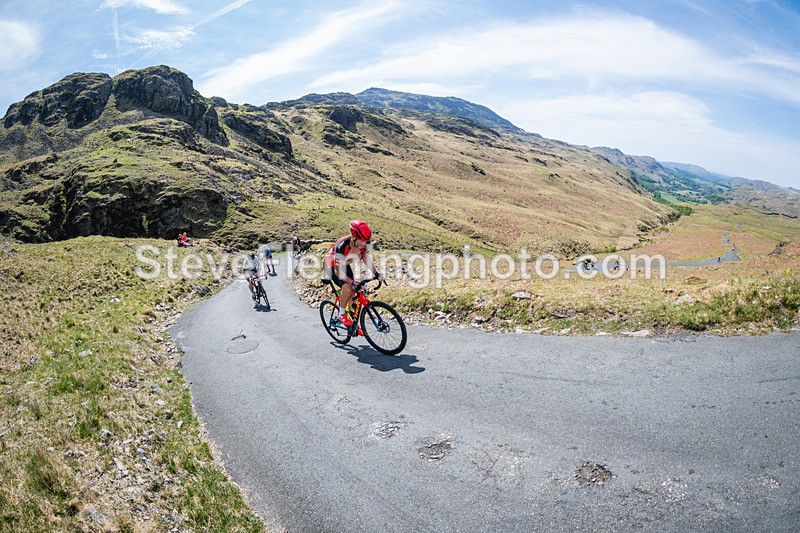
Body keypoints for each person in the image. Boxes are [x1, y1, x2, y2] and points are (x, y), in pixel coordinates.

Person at [324, 220, 382, 326]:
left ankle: (352, 324)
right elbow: (338, 272)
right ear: (353, 237)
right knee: (348, 288)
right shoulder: (341, 246)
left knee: (354, 294)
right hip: (331, 265)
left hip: (344, 263)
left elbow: (365, 257)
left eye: (366, 241)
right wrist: (351, 283)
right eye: (362, 241)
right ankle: (341, 314)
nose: (364, 244)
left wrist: (376, 273)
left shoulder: (361, 243)